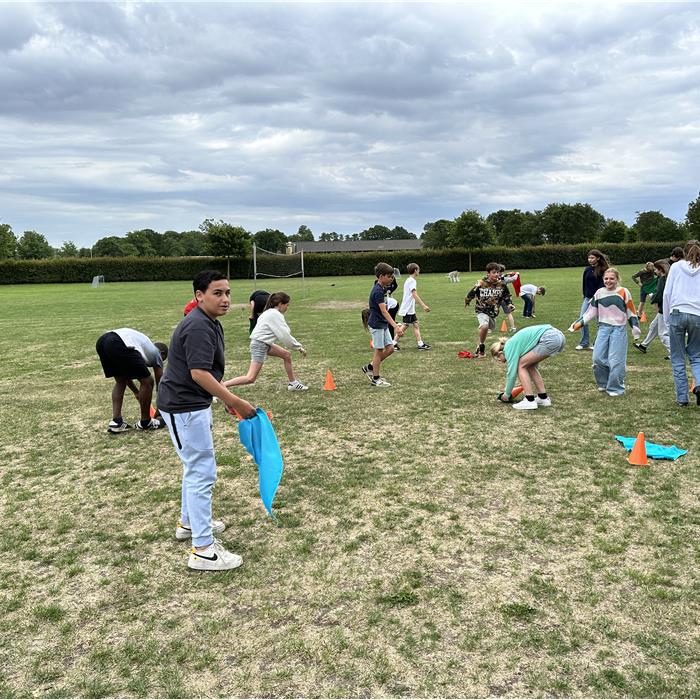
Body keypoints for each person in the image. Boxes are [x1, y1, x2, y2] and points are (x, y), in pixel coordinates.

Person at [157, 270, 256, 572]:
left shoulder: (208, 322)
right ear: (199, 295)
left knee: (195, 468)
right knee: (202, 472)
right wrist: (234, 400)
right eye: (217, 293)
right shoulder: (198, 326)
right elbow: (198, 373)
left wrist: (222, 395)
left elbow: (206, 375)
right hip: (183, 407)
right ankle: (203, 550)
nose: (225, 299)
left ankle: (188, 524)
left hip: (191, 404)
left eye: (228, 292)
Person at [568, 267, 641, 396]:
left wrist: (635, 326)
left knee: (616, 360)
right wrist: (579, 323)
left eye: (612, 278)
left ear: (617, 279)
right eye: (606, 278)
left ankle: (616, 387)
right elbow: (591, 311)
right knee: (597, 358)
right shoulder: (599, 293)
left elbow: (631, 310)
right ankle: (603, 383)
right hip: (603, 328)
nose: (608, 281)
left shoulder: (624, 292)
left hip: (618, 329)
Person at [225, 292, 308, 391]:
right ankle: (219, 387)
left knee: (286, 355)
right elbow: (285, 335)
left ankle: (293, 383)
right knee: (250, 378)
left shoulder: (269, 312)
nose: (287, 308)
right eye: (287, 305)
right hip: (259, 345)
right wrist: (298, 347)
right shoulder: (274, 314)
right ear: (280, 304)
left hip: (264, 343)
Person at [96, 328, 168, 433]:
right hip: (118, 341)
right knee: (148, 381)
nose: (161, 362)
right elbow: (160, 385)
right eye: (163, 358)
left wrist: (137, 392)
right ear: (162, 353)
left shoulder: (141, 348)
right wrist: (160, 409)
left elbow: (125, 377)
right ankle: (146, 422)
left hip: (102, 341)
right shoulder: (156, 353)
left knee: (120, 381)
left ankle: (117, 422)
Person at [492, 324, 566, 410]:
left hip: (550, 337)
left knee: (521, 365)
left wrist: (507, 394)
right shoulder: (515, 344)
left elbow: (511, 374)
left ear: (500, 353)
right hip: (559, 336)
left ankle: (529, 400)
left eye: (498, 359)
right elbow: (533, 365)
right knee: (529, 366)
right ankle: (543, 398)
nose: (500, 362)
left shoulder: (508, 348)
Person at [663, 240, 700, 406]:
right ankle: (698, 384)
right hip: (697, 315)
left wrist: (666, 318)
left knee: (678, 358)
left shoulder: (676, 267)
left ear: (684, 253)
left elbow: (667, 293)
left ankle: (682, 398)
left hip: (677, 313)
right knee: (697, 355)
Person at [362, 262, 404, 386]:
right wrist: (396, 326)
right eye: (389, 276)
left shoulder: (383, 288)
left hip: (383, 324)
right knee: (378, 351)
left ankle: (370, 366)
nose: (391, 278)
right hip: (376, 325)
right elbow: (384, 311)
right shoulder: (378, 291)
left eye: (392, 276)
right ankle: (375, 379)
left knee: (390, 348)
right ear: (381, 276)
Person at [465, 262, 514, 357]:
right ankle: (482, 347)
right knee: (484, 326)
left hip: (493, 312)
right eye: (494, 272)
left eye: (498, 272)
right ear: (488, 273)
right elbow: (472, 292)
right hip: (481, 309)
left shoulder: (502, 285)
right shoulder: (481, 283)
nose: (496, 274)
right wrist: (467, 300)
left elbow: (507, 296)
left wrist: (510, 304)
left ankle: (479, 345)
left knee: (489, 328)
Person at [633, 259, 670, 357]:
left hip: (664, 309)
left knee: (663, 334)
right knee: (653, 326)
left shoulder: (662, 279)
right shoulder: (665, 277)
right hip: (664, 308)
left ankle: (674, 352)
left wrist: (652, 297)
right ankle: (643, 346)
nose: (654, 271)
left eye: (656, 269)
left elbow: (659, 294)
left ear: (660, 270)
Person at [576, 249, 609, 351]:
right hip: (587, 298)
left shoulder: (603, 270)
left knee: (600, 322)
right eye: (589, 258)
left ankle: (597, 344)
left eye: (592, 258)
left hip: (600, 299)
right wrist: (585, 295)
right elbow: (584, 283)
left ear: (598, 258)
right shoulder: (587, 269)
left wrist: (595, 297)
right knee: (582, 319)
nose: (590, 260)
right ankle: (584, 342)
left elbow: (602, 285)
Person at [398, 263, 431, 350]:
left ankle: (420, 344)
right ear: (415, 270)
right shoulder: (412, 281)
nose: (419, 271)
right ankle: (393, 343)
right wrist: (423, 306)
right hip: (408, 308)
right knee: (405, 326)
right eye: (418, 269)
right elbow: (414, 295)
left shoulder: (409, 280)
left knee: (415, 324)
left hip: (410, 308)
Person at [498, 265, 518, 332]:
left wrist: (507, 274)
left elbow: (502, 275)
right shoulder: (504, 279)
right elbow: (513, 279)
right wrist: (517, 274)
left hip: (496, 298)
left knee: (492, 313)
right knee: (508, 313)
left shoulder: (493, 278)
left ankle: (489, 329)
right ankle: (513, 328)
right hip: (504, 298)